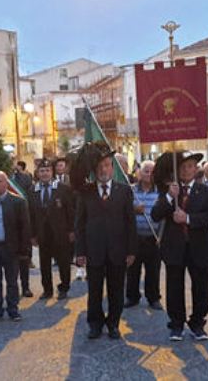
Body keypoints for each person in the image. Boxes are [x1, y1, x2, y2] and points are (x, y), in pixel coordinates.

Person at [151, 151, 208, 342]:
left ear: (196, 169)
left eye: (190, 166)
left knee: (202, 288)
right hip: (175, 248)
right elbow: (156, 214)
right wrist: (170, 198)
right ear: (176, 170)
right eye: (182, 167)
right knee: (174, 287)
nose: (186, 170)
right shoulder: (170, 191)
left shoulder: (207, 191)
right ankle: (176, 324)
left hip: (199, 247)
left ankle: (197, 323)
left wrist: (188, 218)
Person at [74, 141, 137, 340]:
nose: (104, 169)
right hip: (94, 251)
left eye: (108, 165)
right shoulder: (86, 192)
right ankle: (95, 324)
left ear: (113, 167)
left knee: (116, 291)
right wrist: (80, 252)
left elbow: (130, 223)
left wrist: (131, 251)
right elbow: (80, 224)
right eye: (100, 166)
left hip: (118, 251)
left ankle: (113, 324)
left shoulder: (124, 191)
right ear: (95, 169)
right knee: (94, 291)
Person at [0, 171, 31, 322]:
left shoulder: (17, 202)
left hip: (10, 248)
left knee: (11, 281)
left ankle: (13, 310)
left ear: (6, 183)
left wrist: (24, 250)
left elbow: (25, 228)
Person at [28, 159, 75, 300]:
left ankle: (64, 288)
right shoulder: (32, 191)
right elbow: (31, 214)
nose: (45, 173)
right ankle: (47, 290)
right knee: (44, 264)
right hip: (43, 235)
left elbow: (70, 211)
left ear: (52, 172)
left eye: (47, 170)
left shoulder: (63, 189)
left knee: (64, 263)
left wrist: (72, 231)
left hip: (61, 233)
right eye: (42, 171)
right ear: (37, 173)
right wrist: (32, 235)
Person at [125, 160, 162, 310]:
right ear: (139, 173)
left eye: (152, 172)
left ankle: (153, 298)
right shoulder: (131, 191)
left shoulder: (160, 192)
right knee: (133, 270)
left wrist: (161, 235)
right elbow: (123, 212)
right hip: (135, 238)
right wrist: (133, 210)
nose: (148, 174)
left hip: (153, 238)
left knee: (153, 270)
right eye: (146, 171)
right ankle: (132, 297)